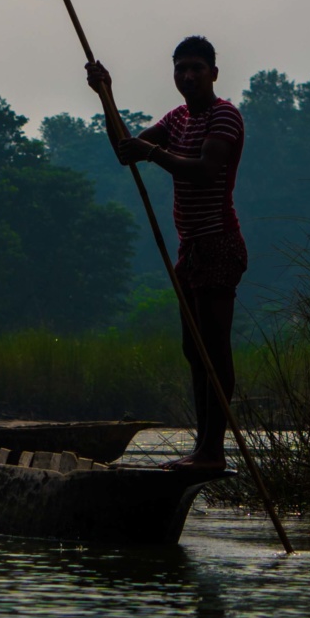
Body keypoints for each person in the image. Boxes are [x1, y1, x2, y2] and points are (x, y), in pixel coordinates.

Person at [86, 35, 245, 469]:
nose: (188, 76)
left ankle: (212, 452)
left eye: (196, 68)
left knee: (214, 350)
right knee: (195, 352)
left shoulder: (224, 116)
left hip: (219, 244)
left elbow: (205, 170)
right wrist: (107, 95)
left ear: (214, 72)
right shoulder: (176, 118)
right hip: (191, 250)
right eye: (181, 69)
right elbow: (125, 150)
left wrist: (152, 153)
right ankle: (203, 449)